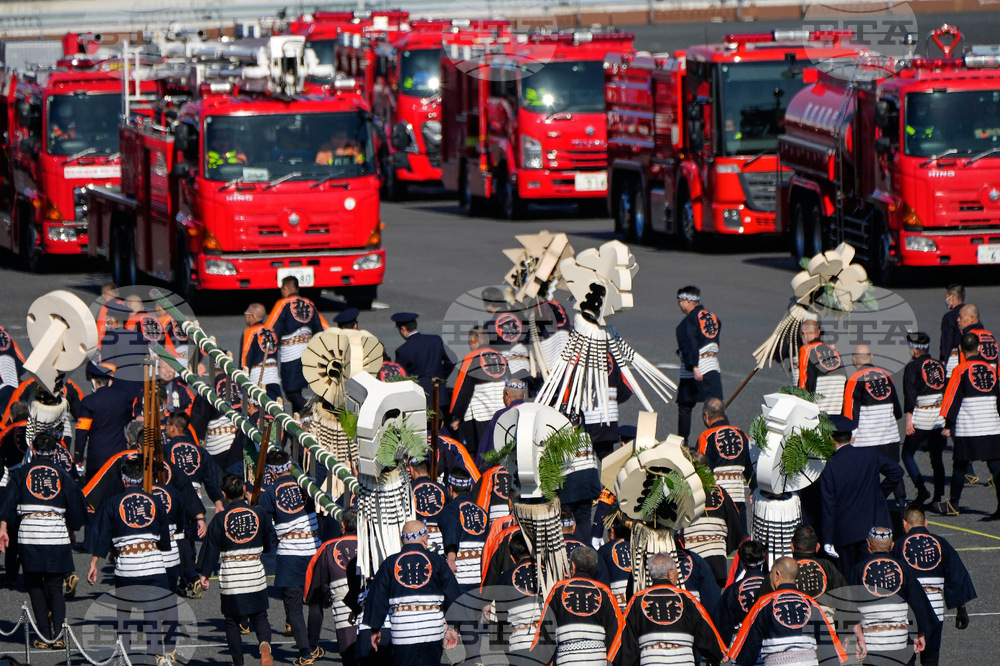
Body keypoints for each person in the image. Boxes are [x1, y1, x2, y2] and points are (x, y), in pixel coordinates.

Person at [0, 433, 86, 650]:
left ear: (33, 449)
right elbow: (75, 506)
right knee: (56, 586)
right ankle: (58, 635)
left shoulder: (21, 473)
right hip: (56, 531)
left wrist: (3, 527)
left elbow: (8, 501)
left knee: (35, 584)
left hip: (29, 533)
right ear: (56, 451)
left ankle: (43, 635)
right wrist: (72, 529)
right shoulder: (63, 475)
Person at [85, 458, 175, 662]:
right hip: (153, 563)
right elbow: (165, 540)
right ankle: (153, 658)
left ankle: (125, 657)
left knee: (124, 615)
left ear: (123, 480)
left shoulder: (112, 503)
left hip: (127, 565)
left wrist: (94, 563)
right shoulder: (156, 501)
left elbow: (102, 535)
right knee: (152, 616)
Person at [198, 473, 276, 666]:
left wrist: (205, 573)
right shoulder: (259, 513)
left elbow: (211, 548)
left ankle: (238, 663)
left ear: (224, 494)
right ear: (243, 490)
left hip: (232, 575)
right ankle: (264, 646)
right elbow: (268, 542)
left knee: (232, 621)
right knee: (260, 616)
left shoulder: (220, 519)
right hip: (254, 570)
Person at [257, 449, 324, 666]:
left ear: (271, 472)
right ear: (288, 466)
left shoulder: (269, 493)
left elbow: (266, 524)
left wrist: (270, 542)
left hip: (290, 551)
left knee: (293, 605)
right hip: (314, 547)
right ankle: (312, 646)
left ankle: (305, 652)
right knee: (315, 602)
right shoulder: (306, 484)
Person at [363, 520, 461, 666]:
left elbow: (377, 597)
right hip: (432, 628)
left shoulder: (390, 563)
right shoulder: (437, 561)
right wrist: (453, 626)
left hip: (403, 630)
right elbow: (452, 594)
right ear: (424, 538)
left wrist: (374, 628)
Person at [818, 415, 904, 575]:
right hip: (871, 530)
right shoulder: (870, 454)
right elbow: (896, 472)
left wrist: (828, 539)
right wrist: (880, 493)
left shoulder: (829, 466)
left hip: (845, 533)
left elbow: (828, 505)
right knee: (875, 574)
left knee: (849, 578)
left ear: (831, 437)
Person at [892, 505, 975, 666]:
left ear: (904, 523)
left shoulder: (898, 546)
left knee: (906, 657)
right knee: (931, 658)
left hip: (907, 613)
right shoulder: (941, 543)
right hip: (935, 611)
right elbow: (956, 576)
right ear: (926, 523)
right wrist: (961, 609)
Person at [728, 557, 850, 665]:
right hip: (809, 662)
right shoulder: (812, 604)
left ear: (777, 574)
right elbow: (827, 646)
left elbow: (750, 644)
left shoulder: (764, 604)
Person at [609, 553, 726, 665]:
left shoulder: (638, 600)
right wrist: (717, 655)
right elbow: (705, 633)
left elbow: (626, 644)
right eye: (676, 571)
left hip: (651, 661)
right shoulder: (687, 598)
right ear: (670, 573)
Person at [849, 526, 939, 666]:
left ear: (868, 545)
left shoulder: (857, 570)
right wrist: (919, 633)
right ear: (892, 545)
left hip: (872, 644)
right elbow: (916, 603)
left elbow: (849, 608)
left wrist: (858, 639)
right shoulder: (903, 569)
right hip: (899, 642)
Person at [938, 332, 1000, 518]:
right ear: (980, 348)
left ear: (961, 351)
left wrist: (948, 424)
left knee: (960, 465)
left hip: (969, 426)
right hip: (992, 424)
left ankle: (954, 504)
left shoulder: (961, 370)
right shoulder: (991, 369)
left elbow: (952, 399)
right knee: (996, 466)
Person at [533, 547, 622, 664]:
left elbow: (546, 628)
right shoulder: (605, 592)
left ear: (573, 566)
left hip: (567, 659)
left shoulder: (559, 589)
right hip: (597, 660)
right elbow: (617, 629)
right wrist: (610, 660)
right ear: (594, 568)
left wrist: (543, 658)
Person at [265, 277, 328, 414]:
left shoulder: (282, 304)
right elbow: (323, 328)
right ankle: (299, 424)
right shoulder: (309, 303)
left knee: (291, 392)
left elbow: (269, 330)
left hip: (290, 356)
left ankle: (309, 411)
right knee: (298, 390)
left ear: (285, 288)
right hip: (309, 355)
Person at [304, 509, 358, 666]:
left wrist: (319, 599)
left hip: (343, 605)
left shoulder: (329, 547)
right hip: (370, 605)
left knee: (348, 653)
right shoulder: (372, 545)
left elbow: (317, 579)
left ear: (342, 526)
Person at [902, 332, 948, 507]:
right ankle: (937, 498)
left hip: (921, 416)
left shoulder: (913, 367)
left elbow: (910, 395)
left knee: (907, 454)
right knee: (937, 457)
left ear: (915, 351)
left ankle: (921, 489)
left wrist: (908, 420)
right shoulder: (940, 365)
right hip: (939, 416)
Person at [674, 285, 723, 443]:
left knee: (685, 405)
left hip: (696, 367)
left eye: (680, 301)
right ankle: (719, 437)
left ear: (688, 301)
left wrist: (693, 366)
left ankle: (683, 442)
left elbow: (691, 343)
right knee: (716, 405)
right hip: (713, 365)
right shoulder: (713, 316)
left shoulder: (688, 322)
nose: (679, 304)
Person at [680, 475, 745, 588]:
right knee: (715, 601)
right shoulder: (720, 491)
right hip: (716, 559)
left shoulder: (681, 493)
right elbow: (734, 522)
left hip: (691, 558)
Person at [74, 361, 135, 481]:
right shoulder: (123, 398)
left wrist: (78, 458)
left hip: (97, 458)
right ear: (110, 381)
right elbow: (128, 420)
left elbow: (81, 433)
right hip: (118, 456)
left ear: (93, 381)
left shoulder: (89, 402)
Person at [449, 327, 507, 448]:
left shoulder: (471, 358)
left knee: (483, 452)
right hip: (502, 412)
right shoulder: (501, 357)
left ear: (474, 340)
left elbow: (463, 390)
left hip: (481, 415)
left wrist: (456, 415)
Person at [489, 533, 542, 665]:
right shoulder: (548, 572)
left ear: (512, 557)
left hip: (519, 640)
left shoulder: (505, 578)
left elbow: (501, 617)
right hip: (545, 639)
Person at [844, 345, 903, 460]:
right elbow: (898, 411)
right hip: (890, 437)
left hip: (866, 441)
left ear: (853, 359)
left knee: (866, 476)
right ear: (871, 357)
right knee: (893, 474)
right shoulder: (885, 375)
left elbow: (850, 412)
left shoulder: (854, 379)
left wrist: (849, 434)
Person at [696, 397, 753, 515]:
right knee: (740, 532)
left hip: (717, 498)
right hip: (738, 498)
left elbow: (703, 468)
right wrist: (754, 487)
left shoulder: (706, 437)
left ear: (706, 416)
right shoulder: (742, 434)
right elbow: (750, 466)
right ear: (724, 414)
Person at [439, 468, 490, 591]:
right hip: (481, 576)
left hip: (460, 577)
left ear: (450, 489)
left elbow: (451, 535)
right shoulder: (482, 512)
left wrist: (450, 559)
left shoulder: (451, 510)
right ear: (470, 487)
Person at [392, 312, 456, 401]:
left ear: (402, 329)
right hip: (439, 394)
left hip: (419, 397)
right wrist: (441, 376)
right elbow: (452, 359)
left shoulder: (403, 351)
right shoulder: (435, 340)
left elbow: (399, 376)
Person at [716, 540, 768, 644]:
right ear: (764, 559)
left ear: (742, 562)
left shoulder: (733, 589)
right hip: (768, 641)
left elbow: (724, 623)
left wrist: (724, 647)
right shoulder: (773, 586)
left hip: (741, 642)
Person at [475, 371, 527, 468]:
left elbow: (487, 447)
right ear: (524, 396)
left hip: (504, 467)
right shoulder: (532, 412)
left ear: (507, 395)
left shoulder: (500, 415)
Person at [797, 316, 847, 414]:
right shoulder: (834, 350)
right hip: (837, 409)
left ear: (804, 334)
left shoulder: (806, 350)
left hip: (820, 411)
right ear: (818, 332)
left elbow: (803, 383)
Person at [240, 303, 281, 402]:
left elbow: (245, 358)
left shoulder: (250, 332)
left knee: (257, 408)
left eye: (247, 313)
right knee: (276, 407)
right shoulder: (272, 331)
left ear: (252, 316)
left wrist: (241, 380)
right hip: (273, 375)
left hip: (257, 375)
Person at [410, 459, 447, 552]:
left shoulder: (409, 490)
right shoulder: (443, 489)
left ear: (411, 469)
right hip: (441, 540)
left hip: (416, 539)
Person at [597, 520, 632, 611]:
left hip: (617, 602)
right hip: (637, 595)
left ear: (612, 530)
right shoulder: (639, 546)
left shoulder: (604, 550)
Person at [941, 284, 965, 377]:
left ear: (953, 297)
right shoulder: (971, 313)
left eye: (947, 297)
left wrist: (943, 359)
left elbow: (947, 340)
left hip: (954, 359)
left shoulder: (949, 317)